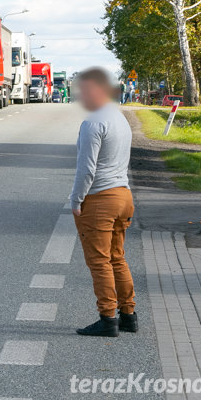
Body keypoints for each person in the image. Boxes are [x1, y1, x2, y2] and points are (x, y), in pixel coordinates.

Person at [70, 67, 135, 338]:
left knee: (99, 262)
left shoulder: (93, 123)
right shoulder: (120, 119)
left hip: (100, 198)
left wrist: (76, 199)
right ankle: (128, 315)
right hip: (123, 195)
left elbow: (87, 169)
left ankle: (107, 319)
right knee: (117, 258)